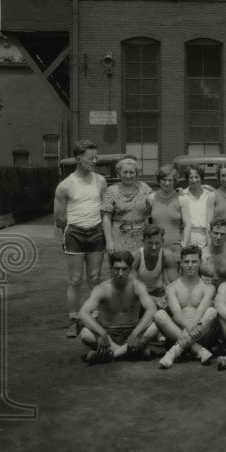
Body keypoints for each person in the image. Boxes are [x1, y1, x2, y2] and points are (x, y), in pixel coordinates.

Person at [53, 139, 107, 337]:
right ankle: (73, 320)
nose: (94, 161)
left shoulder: (101, 181)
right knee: (75, 280)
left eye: (96, 158)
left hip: (96, 233)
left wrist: (97, 228)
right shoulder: (65, 185)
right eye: (90, 158)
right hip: (75, 234)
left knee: (94, 278)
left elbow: (105, 209)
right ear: (78, 158)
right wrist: (74, 230)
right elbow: (59, 217)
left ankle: (95, 317)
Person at [77, 251, 160, 363]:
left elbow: (152, 309)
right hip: (109, 335)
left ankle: (112, 355)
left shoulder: (138, 286)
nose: (120, 273)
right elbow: (83, 313)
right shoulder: (102, 288)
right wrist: (102, 333)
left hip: (132, 332)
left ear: (130, 269)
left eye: (124, 269)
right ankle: (134, 353)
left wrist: (135, 333)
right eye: (116, 269)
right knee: (85, 334)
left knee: (154, 328)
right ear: (111, 269)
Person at [154, 246, 217, 368]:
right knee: (159, 315)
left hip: (201, 332)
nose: (190, 265)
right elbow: (177, 314)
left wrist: (188, 329)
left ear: (200, 262)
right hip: (177, 332)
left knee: (211, 311)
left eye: (194, 261)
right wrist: (187, 328)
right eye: (186, 262)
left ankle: (175, 351)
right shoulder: (172, 287)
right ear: (181, 263)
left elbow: (200, 312)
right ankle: (198, 349)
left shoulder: (209, 288)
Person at [100, 155, 152, 254]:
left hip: (141, 237)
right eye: (125, 172)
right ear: (119, 174)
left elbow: (156, 202)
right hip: (118, 237)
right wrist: (109, 241)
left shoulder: (145, 188)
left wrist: (178, 194)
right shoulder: (111, 191)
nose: (128, 176)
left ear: (136, 174)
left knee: (139, 263)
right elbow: (106, 218)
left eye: (131, 172)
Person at [131, 224, 178, 310]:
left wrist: (166, 296)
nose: (154, 247)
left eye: (157, 243)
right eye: (150, 243)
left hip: (155, 291)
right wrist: (154, 299)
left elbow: (175, 283)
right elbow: (130, 287)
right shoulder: (136, 257)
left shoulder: (167, 256)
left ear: (162, 241)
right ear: (143, 241)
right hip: (136, 293)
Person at [147, 165, 183, 252]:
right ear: (159, 180)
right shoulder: (151, 198)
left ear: (174, 181)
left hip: (175, 247)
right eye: (164, 180)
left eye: (170, 180)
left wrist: (184, 243)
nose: (167, 183)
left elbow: (187, 224)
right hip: (155, 247)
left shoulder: (181, 198)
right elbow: (148, 223)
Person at [179, 165, 215, 250]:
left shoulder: (208, 195)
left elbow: (209, 222)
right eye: (191, 177)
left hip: (204, 235)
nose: (194, 180)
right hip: (187, 236)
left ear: (201, 178)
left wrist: (209, 243)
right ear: (187, 179)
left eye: (196, 177)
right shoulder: (182, 195)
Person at [199, 218, 226, 287]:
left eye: (222, 234)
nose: (218, 237)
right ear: (209, 233)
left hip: (225, 290)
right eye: (215, 233)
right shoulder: (201, 254)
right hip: (204, 290)